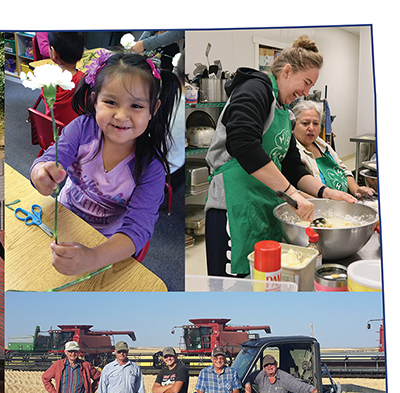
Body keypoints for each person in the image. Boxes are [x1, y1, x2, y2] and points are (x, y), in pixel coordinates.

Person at [31, 51, 179, 277]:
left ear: (154, 109)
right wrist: (40, 174)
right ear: (95, 100)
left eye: (136, 106)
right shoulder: (81, 129)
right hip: (63, 218)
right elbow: (47, 160)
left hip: (106, 241)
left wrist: (93, 257)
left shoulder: (151, 166)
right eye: (111, 102)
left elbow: (137, 231)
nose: (121, 115)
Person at [204, 36, 325, 277]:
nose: (306, 92)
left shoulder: (284, 111)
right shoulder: (255, 89)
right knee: (233, 289)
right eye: (306, 82)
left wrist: (326, 192)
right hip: (234, 209)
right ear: (288, 71)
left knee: (263, 282)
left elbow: (290, 165)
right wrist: (292, 193)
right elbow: (243, 143)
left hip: (263, 207)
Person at [292, 100, 374, 200]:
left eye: (316, 123)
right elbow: (293, 190)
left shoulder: (322, 145)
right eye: (305, 123)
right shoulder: (293, 152)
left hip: (343, 202)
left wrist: (356, 190)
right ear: (293, 124)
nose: (311, 128)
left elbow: (344, 171)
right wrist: (325, 203)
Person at [40, 32, 87, 127]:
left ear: (53, 53)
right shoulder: (85, 82)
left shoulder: (46, 80)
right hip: (76, 136)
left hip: (52, 134)